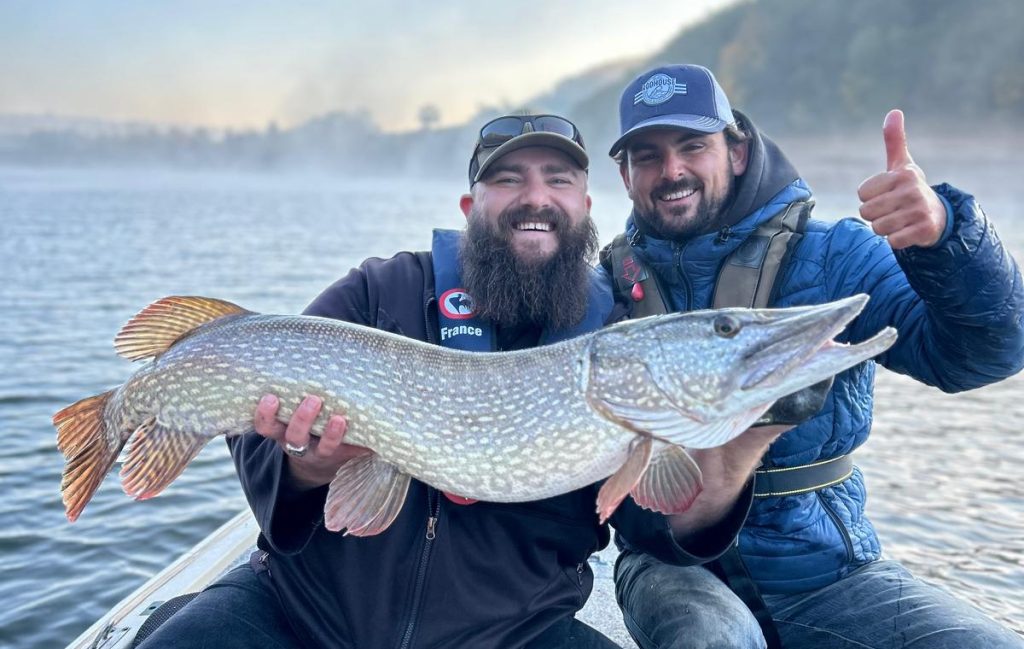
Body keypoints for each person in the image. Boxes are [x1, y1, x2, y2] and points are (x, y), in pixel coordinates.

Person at [136, 113, 775, 649]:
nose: (536, 197)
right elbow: (256, 405)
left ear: (584, 206)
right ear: (471, 207)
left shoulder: (616, 338)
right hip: (302, 612)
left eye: (559, 179)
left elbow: (655, 526)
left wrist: (739, 450)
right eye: (507, 179)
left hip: (516, 631)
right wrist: (306, 469)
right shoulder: (379, 290)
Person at [605, 64, 1024, 648]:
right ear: (625, 177)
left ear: (738, 151)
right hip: (671, 565)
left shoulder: (837, 254)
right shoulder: (606, 283)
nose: (672, 170)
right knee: (716, 641)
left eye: (692, 146)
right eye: (646, 156)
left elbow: (981, 357)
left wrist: (946, 238)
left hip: (828, 565)